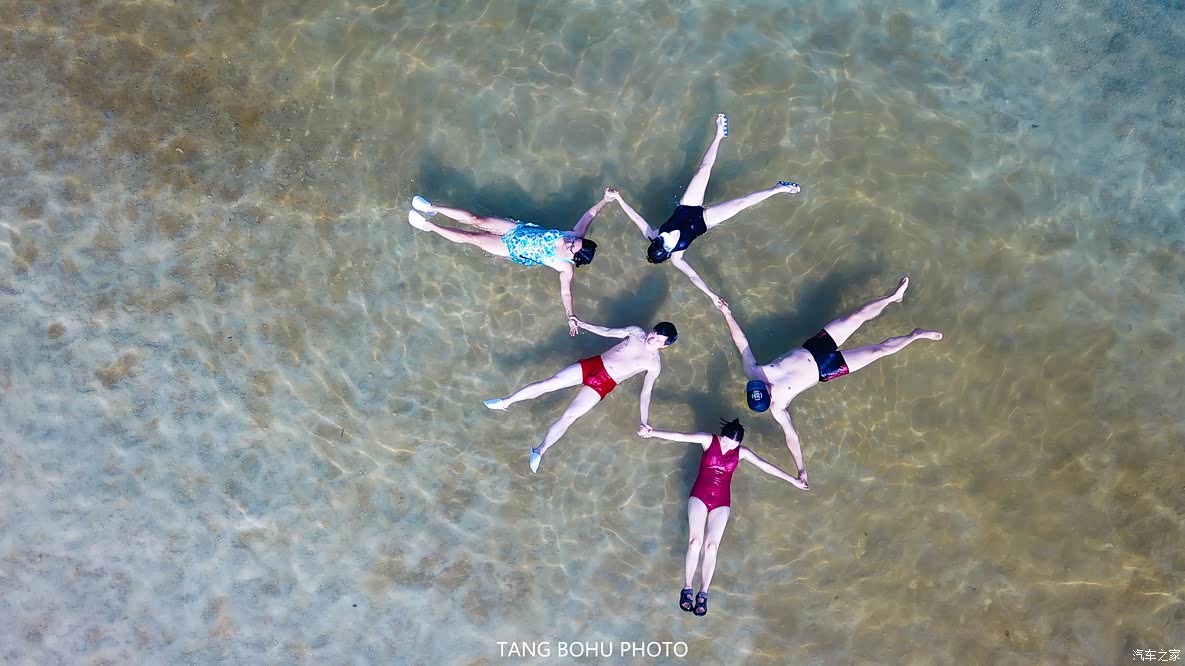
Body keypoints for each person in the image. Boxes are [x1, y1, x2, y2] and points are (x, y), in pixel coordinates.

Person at [715, 277, 943, 490]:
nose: (759, 383)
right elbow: (791, 436)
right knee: (878, 351)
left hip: (815, 346)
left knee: (857, 316)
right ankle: (915, 335)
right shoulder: (778, 407)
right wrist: (801, 468)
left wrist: (726, 313)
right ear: (768, 396)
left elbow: (741, 341)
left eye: (755, 385)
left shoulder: (753, 371)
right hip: (827, 368)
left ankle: (894, 297)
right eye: (761, 387)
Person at [606, 113, 801, 307]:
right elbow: (693, 276)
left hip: (688, 206)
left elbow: (635, 218)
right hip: (704, 221)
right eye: (665, 245)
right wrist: (712, 296)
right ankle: (778, 188)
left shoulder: (653, 234)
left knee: (703, 169)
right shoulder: (676, 257)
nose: (664, 240)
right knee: (742, 204)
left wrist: (618, 198)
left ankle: (719, 136)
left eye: (660, 240)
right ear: (667, 253)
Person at [637, 418, 802, 617]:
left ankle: (703, 593)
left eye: (732, 446)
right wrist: (651, 432)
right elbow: (680, 436)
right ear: (721, 436)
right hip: (699, 496)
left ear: (738, 444)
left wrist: (793, 480)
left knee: (711, 547)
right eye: (725, 443)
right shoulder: (708, 440)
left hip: (721, 502)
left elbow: (765, 466)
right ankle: (687, 587)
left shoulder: (742, 452)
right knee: (695, 542)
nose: (726, 448)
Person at [407, 190, 612, 336]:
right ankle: (431, 208)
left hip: (511, 249)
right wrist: (605, 199)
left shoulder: (564, 268)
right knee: (476, 220)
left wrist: (571, 315)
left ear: (574, 259)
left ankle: (429, 226)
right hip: (516, 229)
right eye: (574, 241)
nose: (569, 242)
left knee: (473, 237)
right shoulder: (574, 234)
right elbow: (590, 214)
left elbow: (566, 292)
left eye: (571, 247)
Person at [484, 320, 679, 472]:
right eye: (654, 333)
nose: (652, 339)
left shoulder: (654, 364)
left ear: (664, 346)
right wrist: (582, 324)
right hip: (593, 365)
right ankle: (506, 402)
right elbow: (608, 331)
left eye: (659, 340)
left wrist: (645, 421)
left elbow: (646, 393)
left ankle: (540, 450)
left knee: (570, 416)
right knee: (549, 383)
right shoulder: (636, 333)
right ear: (652, 330)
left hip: (604, 384)